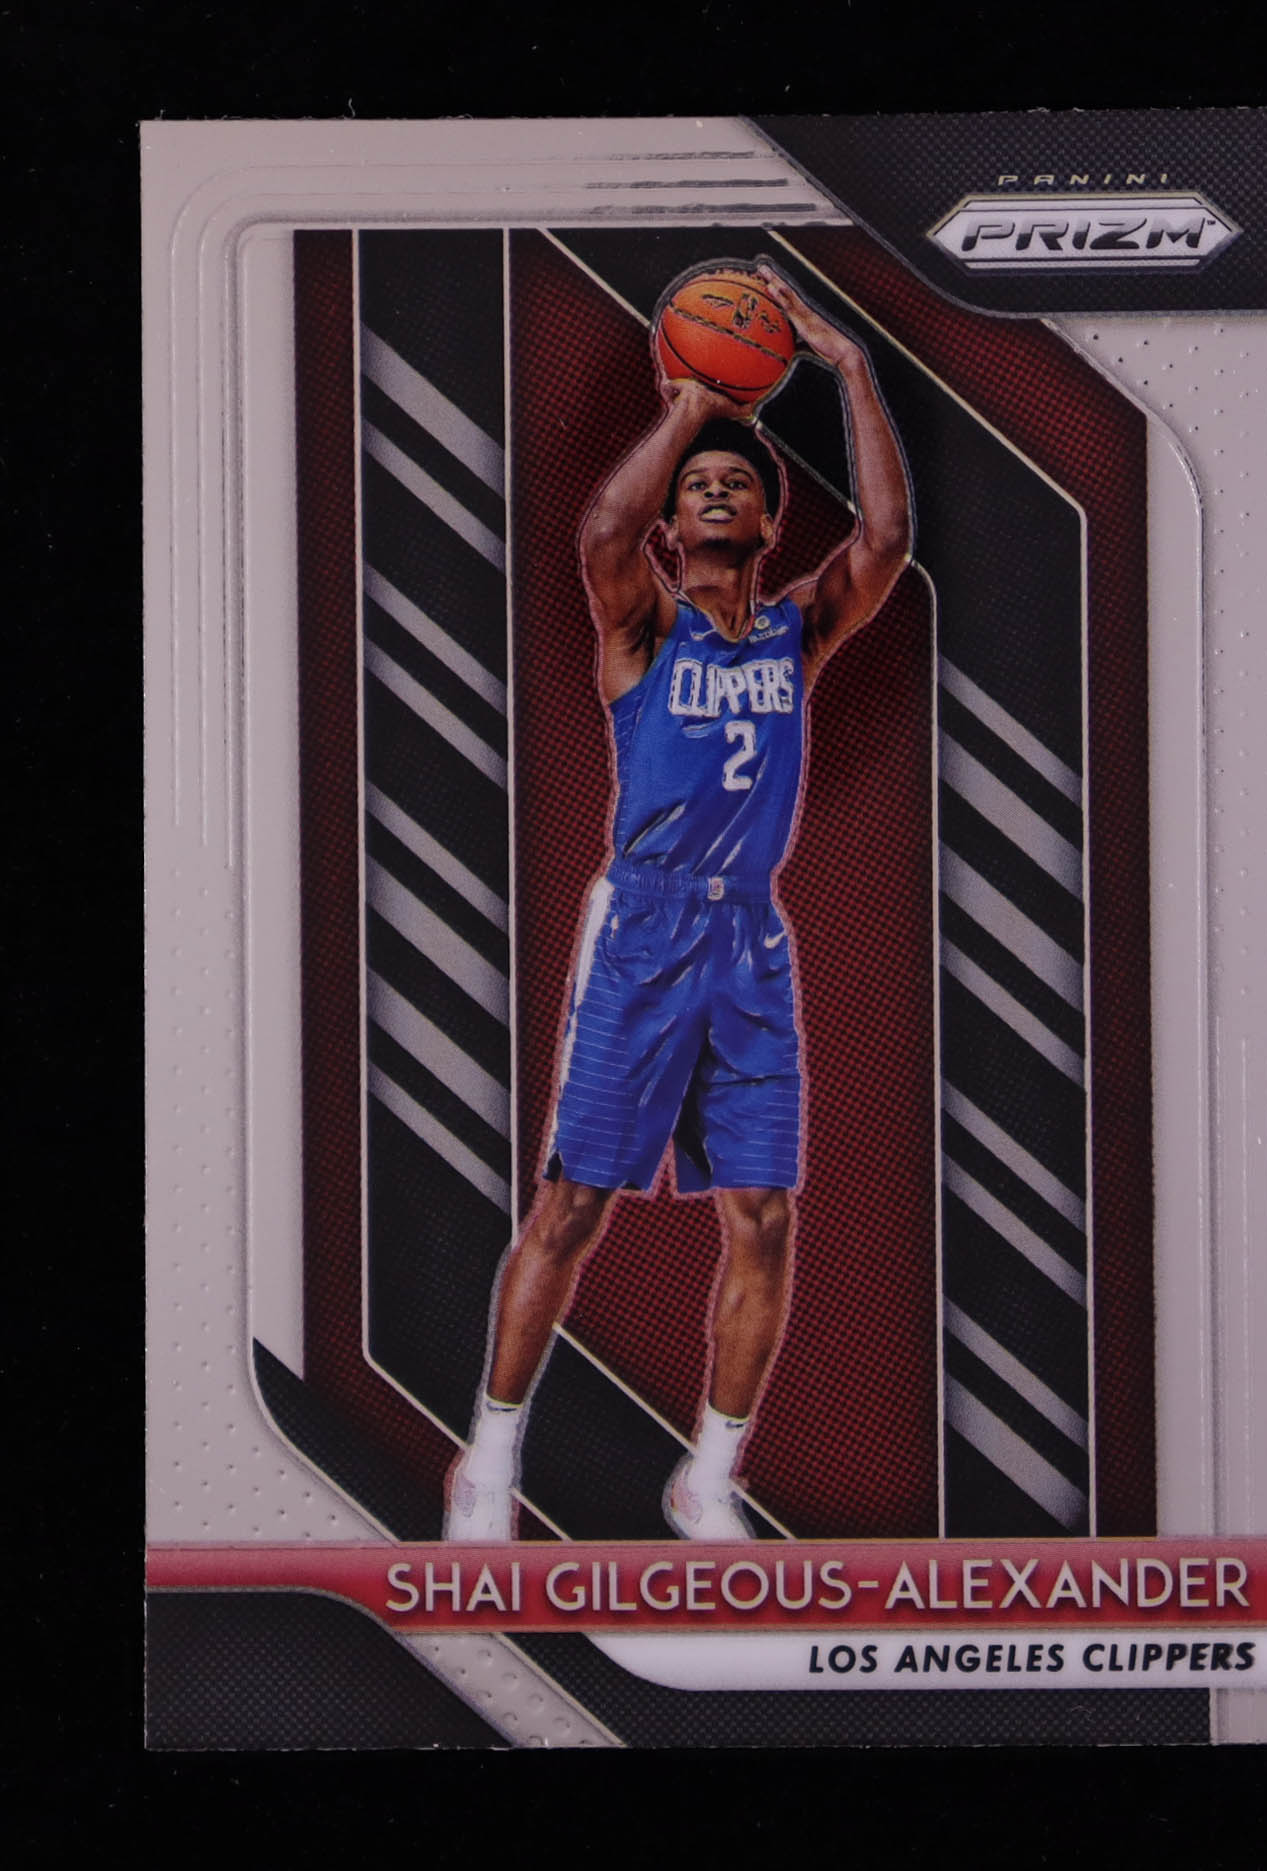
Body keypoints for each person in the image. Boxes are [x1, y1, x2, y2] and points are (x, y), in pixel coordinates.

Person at [445, 263, 912, 1541]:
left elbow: (882, 541)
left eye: (736, 482)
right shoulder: (644, 627)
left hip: (750, 936)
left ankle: (708, 1477)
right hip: (644, 925)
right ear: (674, 518)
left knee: (763, 1214)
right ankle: (490, 1460)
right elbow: (602, 528)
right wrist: (694, 403)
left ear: (767, 523)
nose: (713, 487)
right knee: (573, 1203)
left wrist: (848, 365)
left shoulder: (798, 632)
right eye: (696, 481)